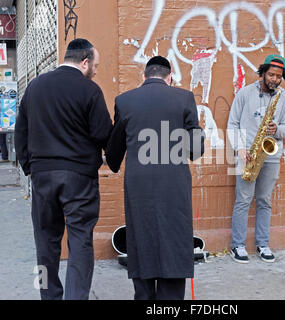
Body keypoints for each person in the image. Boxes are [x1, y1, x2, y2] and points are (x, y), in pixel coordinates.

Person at [14, 38, 113, 300]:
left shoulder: (35, 87)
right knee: (80, 241)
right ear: (84, 62)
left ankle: (49, 296)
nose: (96, 70)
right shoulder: (89, 91)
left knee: (45, 244)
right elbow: (104, 134)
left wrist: (30, 168)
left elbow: (20, 132)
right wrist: (108, 158)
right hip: (79, 178)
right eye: (95, 65)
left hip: (43, 177)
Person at [105, 56, 205, 300]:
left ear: (144, 76)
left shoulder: (125, 101)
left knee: (142, 237)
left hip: (139, 186)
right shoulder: (184, 98)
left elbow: (114, 151)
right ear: (169, 77)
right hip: (174, 185)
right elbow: (196, 149)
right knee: (174, 239)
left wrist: (113, 161)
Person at [227, 54, 285, 264]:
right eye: (271, 75)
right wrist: (239, 148)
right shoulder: (245, 93)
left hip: (271, 154)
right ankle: (237, 245)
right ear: (263, 73)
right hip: (247, 153)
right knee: (243, 200)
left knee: (264, 201)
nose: (275, 79)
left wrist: (277, 130)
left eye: (279, 76)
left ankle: (262, 244)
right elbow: (232, 123)